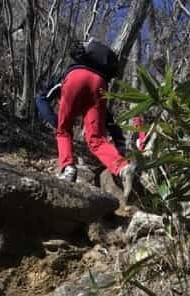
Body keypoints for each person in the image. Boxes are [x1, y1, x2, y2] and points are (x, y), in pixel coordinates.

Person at [35, 39, 136, 199]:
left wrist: (55, 121)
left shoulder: (68, 71)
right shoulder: (99, 74)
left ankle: (68, 169)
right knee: (96, 140)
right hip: (100, 83)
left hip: (76, 78)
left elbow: (41, 98)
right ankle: (123, 168)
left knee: (64, 132)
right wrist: (120, 146)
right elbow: (109, 120)